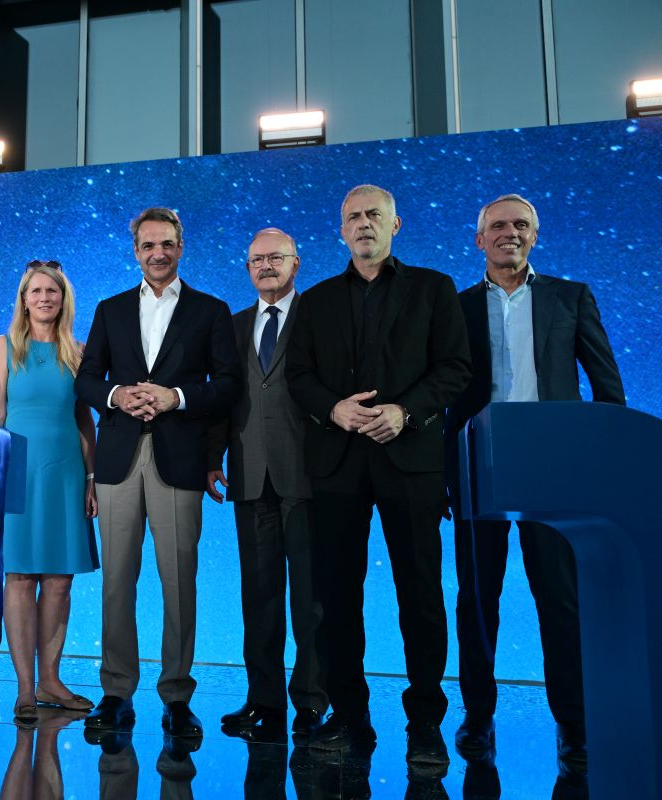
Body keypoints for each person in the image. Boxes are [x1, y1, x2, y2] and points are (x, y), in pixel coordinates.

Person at [285, 185, 471, 767]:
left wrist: (405, 412)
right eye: (353, 217)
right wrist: (333, 409)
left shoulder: (434, 288)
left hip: (409, 458)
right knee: (337, 598)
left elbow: (455, 368)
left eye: (374, 215)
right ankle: (350, 716)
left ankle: (425, 723)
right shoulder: (315, 300)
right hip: (337, 464)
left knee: (421, 594)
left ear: (396, 224)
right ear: (341, 230)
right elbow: (299, 375)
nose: (363, 224)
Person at [447, 194, 625, 768]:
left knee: (560, 599)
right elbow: (443, 394)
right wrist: (445, 475)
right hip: (479, 467)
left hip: (553, 469)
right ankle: (478, 717)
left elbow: (607, 387)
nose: (510, 233)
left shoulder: (570, 297)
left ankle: (574, 723)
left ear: (535, 235)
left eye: (521, 225)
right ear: (479, 239)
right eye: (497, 226)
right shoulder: (455, 307)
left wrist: (599, 464)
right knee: (477, 599)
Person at [76, 207, 241, 741]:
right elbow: (86, 379)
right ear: (136, 251)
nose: (158, 253)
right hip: (118, 460)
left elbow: (228, 386)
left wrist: (177, 397)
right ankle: (116, 691)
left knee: (179, 581)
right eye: (148, 245)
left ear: (181, 246)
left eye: (167, 243)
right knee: (116, 581)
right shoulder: (110, 309)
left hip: (180, 459)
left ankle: (176, 696)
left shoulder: (210, 310)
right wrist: (117, 395)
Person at [207, 227, 327, 744]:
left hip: (308, 475)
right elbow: (224, 396)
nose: (266, 266)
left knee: (312, 599)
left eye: (276, 258)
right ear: (247, 268)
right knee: (258, 596)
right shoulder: (233, 326)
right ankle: (264, 700)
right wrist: (213, 456)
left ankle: (312, 700)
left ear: (296, 264)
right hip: (249, 475)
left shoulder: (318, 317)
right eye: (257, 259)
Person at [0, 260, 100, 724]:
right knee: (21, 577)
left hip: (65, 474)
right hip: (16, 473)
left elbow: (84, 420)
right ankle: (25, 687)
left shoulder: (79, 352)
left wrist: (91, 478)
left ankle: (51, 679)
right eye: (36, 291)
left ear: (64, 300)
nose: (45, 298)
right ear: (23, 299)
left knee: (61, 579)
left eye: (53, 291)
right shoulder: (3, 347)